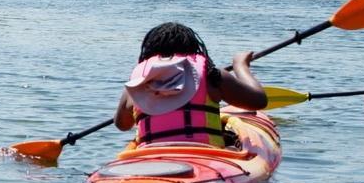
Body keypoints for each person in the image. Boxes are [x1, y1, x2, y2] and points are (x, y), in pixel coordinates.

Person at [113, 22, 268, 147]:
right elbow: (259, 101)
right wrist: (240, 65)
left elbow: (122, 124)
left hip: (151, 157)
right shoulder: (212, 75)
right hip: (205, 155)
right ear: (194, 50)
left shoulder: (138, 82)